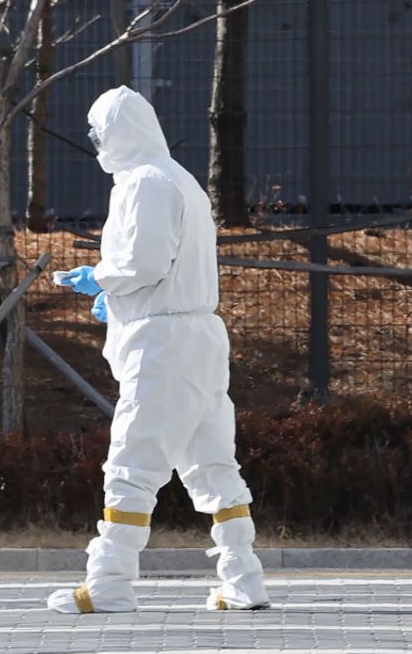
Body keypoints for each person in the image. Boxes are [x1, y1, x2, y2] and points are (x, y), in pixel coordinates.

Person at [47, 86, 269, 614]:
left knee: (133, 461)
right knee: (212, 462)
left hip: (162, 343)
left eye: (100, 130)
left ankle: (110, 582)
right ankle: (243, 579)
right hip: (196, 335)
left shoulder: (143, 182)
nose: (98, 140)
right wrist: (114, 296)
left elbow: (142, 263)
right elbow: (166, 267)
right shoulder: (179, 178)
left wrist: (99, 280)